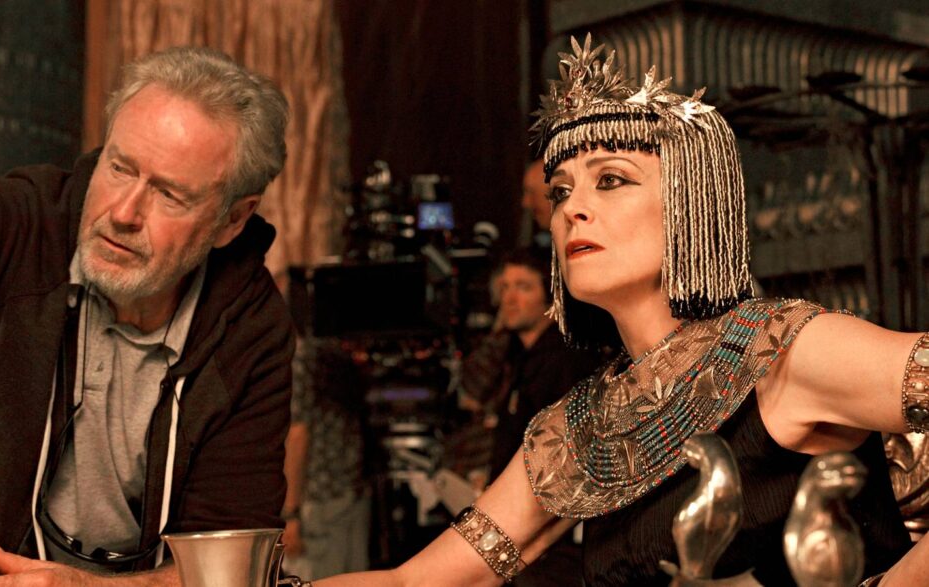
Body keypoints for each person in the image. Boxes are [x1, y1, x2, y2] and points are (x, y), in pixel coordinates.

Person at [314, 34, 929, 586]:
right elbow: (419, 581)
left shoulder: (784, 349)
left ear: (688, 204)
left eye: (610, 179)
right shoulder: (579, 430)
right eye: (560, 191)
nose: (571, 209)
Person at [0, 46, 295, 586]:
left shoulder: (251, 329)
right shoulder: (23, 225)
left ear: (233, 220)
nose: (122, 213)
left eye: (169, 195)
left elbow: (225, 570)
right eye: (119, 167)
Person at [459, 248, 603, 586]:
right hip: (514, 524)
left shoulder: (565, 360)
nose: (509, 298)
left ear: (550, 296)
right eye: (504, 287)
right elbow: (469, 392)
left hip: (546, 538)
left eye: (523, 287)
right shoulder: (516, 354)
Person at [281, 338, 370, 579]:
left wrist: (291, 514)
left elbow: (298, 434)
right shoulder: (333, 350)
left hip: (316, 501)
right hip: (351, 492)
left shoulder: (297, 357)